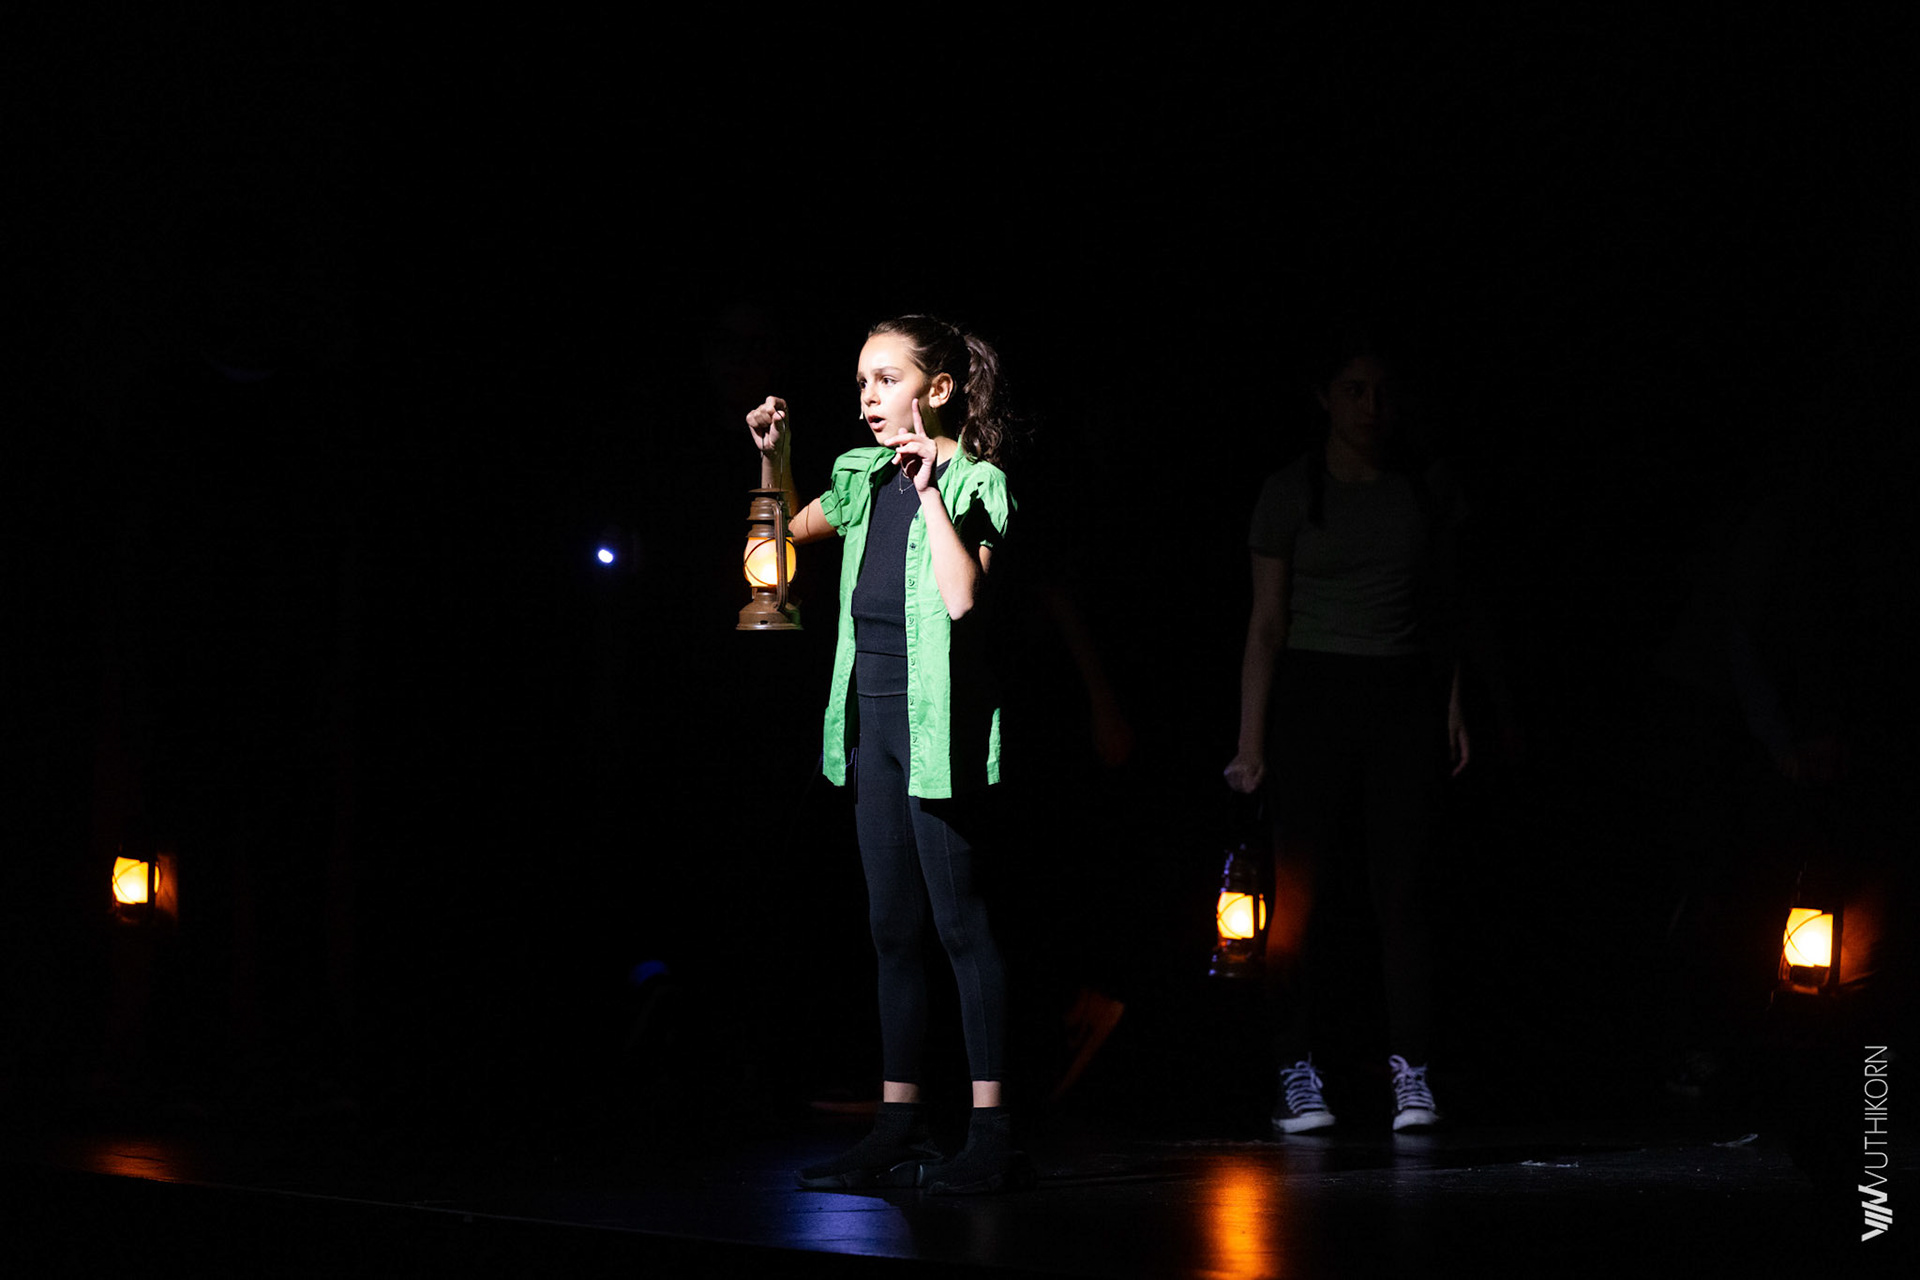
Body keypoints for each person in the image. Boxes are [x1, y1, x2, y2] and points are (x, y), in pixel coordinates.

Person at [745, 314, 1031, 1194]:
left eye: (887, 379)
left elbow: (963, 597)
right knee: (891, 930)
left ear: (936, 390)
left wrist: (931, 492)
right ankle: (899, 1124)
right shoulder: (861, 477)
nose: (868, 397)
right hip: (873, 733)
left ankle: (992, 1134)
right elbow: (775, 548)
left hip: (937, 734)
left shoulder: (976, 480)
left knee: (960, 927)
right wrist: (774, 461)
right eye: (862, 382)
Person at [1223, 327, 1468, 1134]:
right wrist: (1251, 741)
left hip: (1400, 693)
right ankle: (1295, 1068)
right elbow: (1266, 624)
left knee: (1403, 892)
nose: (1370, 406)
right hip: (1313, 692)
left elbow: (1444, 612)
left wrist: (1453, 705)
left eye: (1381, 392)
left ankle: (1413, 1070)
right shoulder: (1291, 490)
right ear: (1325, 398)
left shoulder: (1420, 490)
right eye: (1354, 390)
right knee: (1299, 896)